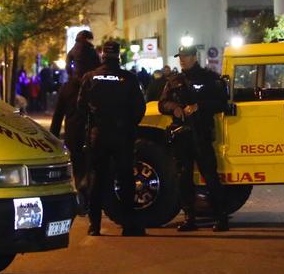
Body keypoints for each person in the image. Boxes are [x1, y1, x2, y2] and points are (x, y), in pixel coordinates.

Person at [78, 40, 147, 236]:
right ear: (118, 56)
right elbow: (139, 108)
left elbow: (80, 106)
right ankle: (128, 225)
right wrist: (129, 125)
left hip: (98, 134)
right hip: (122, 134)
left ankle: (95, 225)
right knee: (125, 179)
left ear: (102, 55)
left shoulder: (90, 77)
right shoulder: (129, 78)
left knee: (97, 179)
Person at [159, 45, 229, 232]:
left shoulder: (209, 78)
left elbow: (223, 102)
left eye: (186, 56)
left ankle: (221, 218)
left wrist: (200, 106)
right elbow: (162, 103)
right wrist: (173, 107)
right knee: (184, 178)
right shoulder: (174, 81)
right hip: (181, 136)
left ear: (194, 57)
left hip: (201, 134)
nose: (182, 59)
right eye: (180, 56)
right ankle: (190, 218)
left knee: (210, 177)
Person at [50, 65, 90, 212]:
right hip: (89, 133)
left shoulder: (67, 88)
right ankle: (87, 197)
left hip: (73, 134)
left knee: (78, 168)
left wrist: (53, 137)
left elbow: (58, 115)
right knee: (89, 167)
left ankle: (83, 198)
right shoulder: (92, 85)